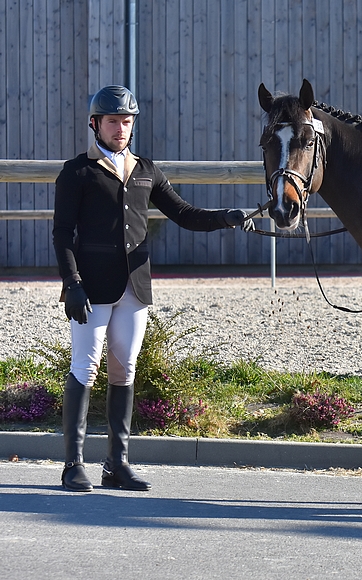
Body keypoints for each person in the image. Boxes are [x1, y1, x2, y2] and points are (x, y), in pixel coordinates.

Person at [53, 85, 254, 492]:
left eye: (126, 122)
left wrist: (227, 217)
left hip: (135, 287)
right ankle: (73, 463)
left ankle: (117, 465)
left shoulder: (146, 169)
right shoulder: (77, 172)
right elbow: (62, 234)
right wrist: (71, 283)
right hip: (90, 288)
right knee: (86, 367)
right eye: (113, 122)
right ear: (96, 124)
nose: (120, 129)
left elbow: (183, 213)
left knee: (124, 369)